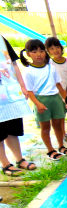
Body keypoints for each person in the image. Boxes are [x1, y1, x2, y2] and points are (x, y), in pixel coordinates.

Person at [21, 39, 67, 160]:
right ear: (28, 54)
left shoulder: (51, 68)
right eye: (34, 51)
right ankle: (50, 150)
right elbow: (30, 91)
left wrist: (66, 99)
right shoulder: (28, 71)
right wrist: (37, 104)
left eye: (42, 51)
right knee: (45, 127)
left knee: (58, 124)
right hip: (41, 100)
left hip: (55, 99)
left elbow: (58, 85)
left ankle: (61, 146)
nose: (39, 54)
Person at [0, 36, 37, 176]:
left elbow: (14, 63)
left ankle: (19, 159)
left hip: (10, 91)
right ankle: (5, 163)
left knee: (13, 127)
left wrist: (22, 85)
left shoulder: (1, 39)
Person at [46, 37, 67, 144]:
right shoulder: (50, 64)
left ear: (61, 48)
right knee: (60, 117)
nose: (55, 50)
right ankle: (63, 134)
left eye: (57, 47)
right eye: (51, 48)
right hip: (58, 95)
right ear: (48, 51)